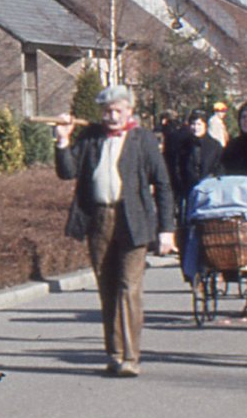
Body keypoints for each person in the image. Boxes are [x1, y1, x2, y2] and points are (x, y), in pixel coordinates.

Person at [54, 85, 177, 376]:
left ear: (129, 111)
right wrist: (63, 140)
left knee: (128, 287)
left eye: (117, 111)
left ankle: (131, 357)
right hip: (99, 219)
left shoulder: (143, 139)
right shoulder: (91, 136)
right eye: (107, 111)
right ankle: (114, 353)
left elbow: (163, 184)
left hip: (133, 220)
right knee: (107, 287)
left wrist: (167, 229)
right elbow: (68, 172)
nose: (111, 116)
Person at [170, 108, 223, 216]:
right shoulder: (183, 146)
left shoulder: (215, 146)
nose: (195, 128)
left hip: (209, 193)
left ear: (205, 125)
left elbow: (219, 168)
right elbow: (177, 168)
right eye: (193, 124)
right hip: (188, 192)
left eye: (199, 124)